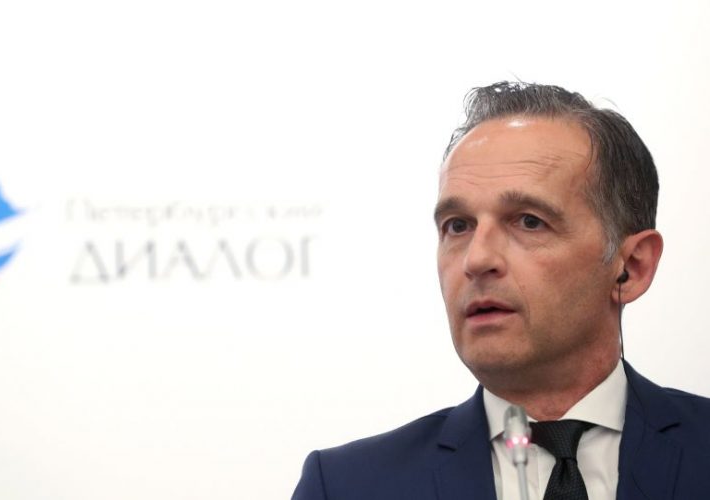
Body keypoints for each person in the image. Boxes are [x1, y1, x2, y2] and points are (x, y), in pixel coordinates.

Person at [291, 82, 710, 500]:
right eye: (458, 226)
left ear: (632, 268)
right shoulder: (346, 486)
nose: (476, 259)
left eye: (529, 221)